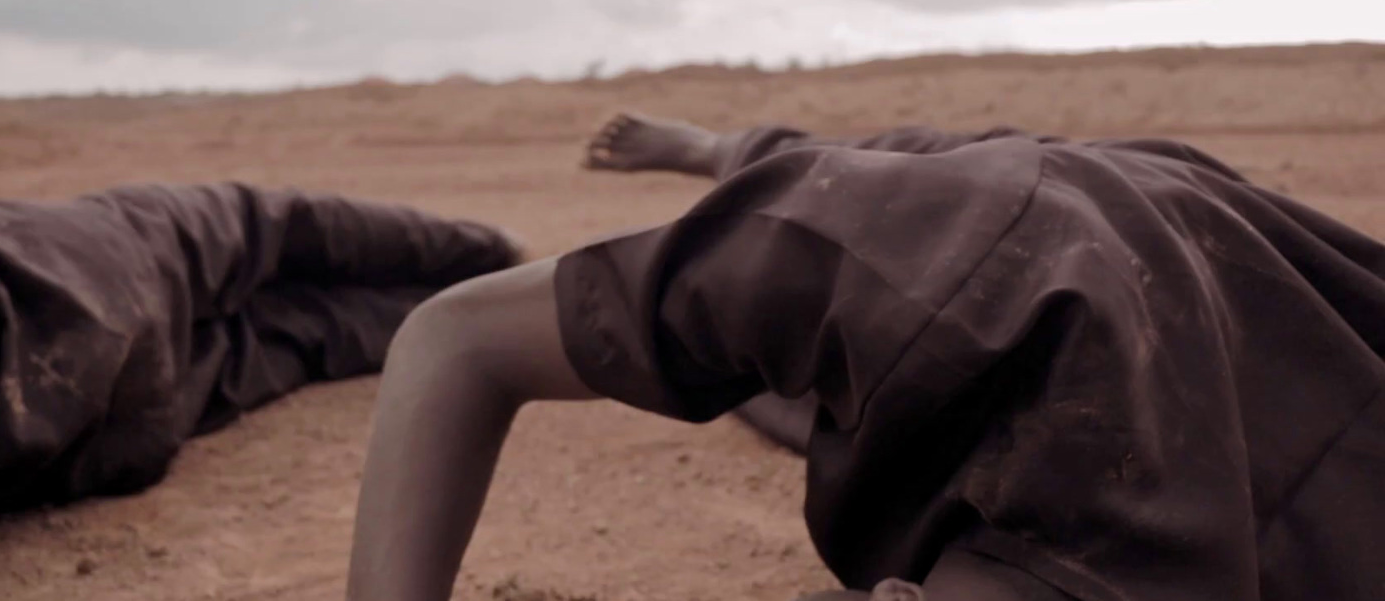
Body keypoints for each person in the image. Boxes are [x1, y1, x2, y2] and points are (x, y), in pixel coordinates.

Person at [347, 114, 1385, 601]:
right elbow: (453, 337)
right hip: (1125, 234)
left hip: (1169, 242)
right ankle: (714, 147)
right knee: (904, 187)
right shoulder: (874, 265)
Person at [0, 182, 520, 601]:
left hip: (59, 446)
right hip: (32, 284)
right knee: (256, 227)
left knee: (296, 335)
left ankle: (475, 282)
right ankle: (493, 262)